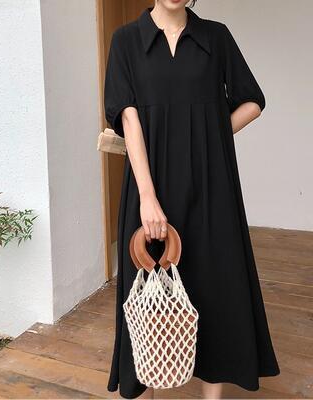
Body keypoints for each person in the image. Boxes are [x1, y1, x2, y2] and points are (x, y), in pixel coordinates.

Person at [104, 0, 281, 399]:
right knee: (146, 297)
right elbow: (128, 119)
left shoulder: (215, 37)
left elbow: (252, 101)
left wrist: (210, 138)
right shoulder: (126, 41)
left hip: (211, 185)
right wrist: (147, 197)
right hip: (151, 185)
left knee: (215, 289)